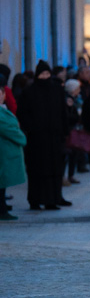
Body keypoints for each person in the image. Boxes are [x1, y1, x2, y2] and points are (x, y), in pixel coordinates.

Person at [16, 60, 69, 210]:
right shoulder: (29, 92)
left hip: (54, 138)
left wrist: (64, 131)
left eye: (47, 74)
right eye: (42, 74)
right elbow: (22, 113)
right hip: (37, 140)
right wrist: (32, 128)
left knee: (54, 169)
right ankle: (35, 200)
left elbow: (62, 112)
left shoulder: (56, 90)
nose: (45, 77)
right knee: (37, 170)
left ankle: (52, 199)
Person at [0, 86, 26, 221]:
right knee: (1, 181)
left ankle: (2, 207)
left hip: (5, 151)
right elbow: (9, 129)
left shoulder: (3, 110)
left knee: (3, 182)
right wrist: (22, 138)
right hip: (3, 151)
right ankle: (1, 210)